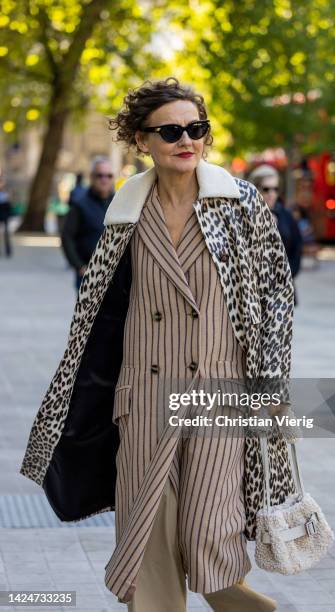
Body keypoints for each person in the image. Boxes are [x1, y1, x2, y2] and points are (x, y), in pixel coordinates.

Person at [19, 77, 297, 611]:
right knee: (146, 538)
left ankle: (245, 605)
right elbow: (96, 311)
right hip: (143, 399)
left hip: (220, 398)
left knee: (208, 533)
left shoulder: (238, 204)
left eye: (196, 128)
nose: (186, 140)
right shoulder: (126, 210)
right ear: (142, 139)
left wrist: (270, 384)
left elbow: (276, 297)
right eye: (170, 131)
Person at [248, 164, 303, 306]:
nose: (271, 193)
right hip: (253, 293)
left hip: (282, 291)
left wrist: (287, 275)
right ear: (256, 188)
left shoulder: (286, 216)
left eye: (275, 189)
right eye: (266, 189)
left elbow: (297, 247)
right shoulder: (245, 215)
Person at [61, 157, 115, 291]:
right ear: (91, 177)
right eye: (100, 175)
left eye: (108, 176)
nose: (104, 179)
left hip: (115, 276)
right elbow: (67, 237)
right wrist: (79, 266)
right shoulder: (80, 204)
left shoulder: (119, 203)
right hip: (88, 275)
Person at [0, 176, 12, 257]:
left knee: (6, 234)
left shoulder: (6, 193)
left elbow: (9, 206)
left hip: (4, 216)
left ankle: (8, 251)